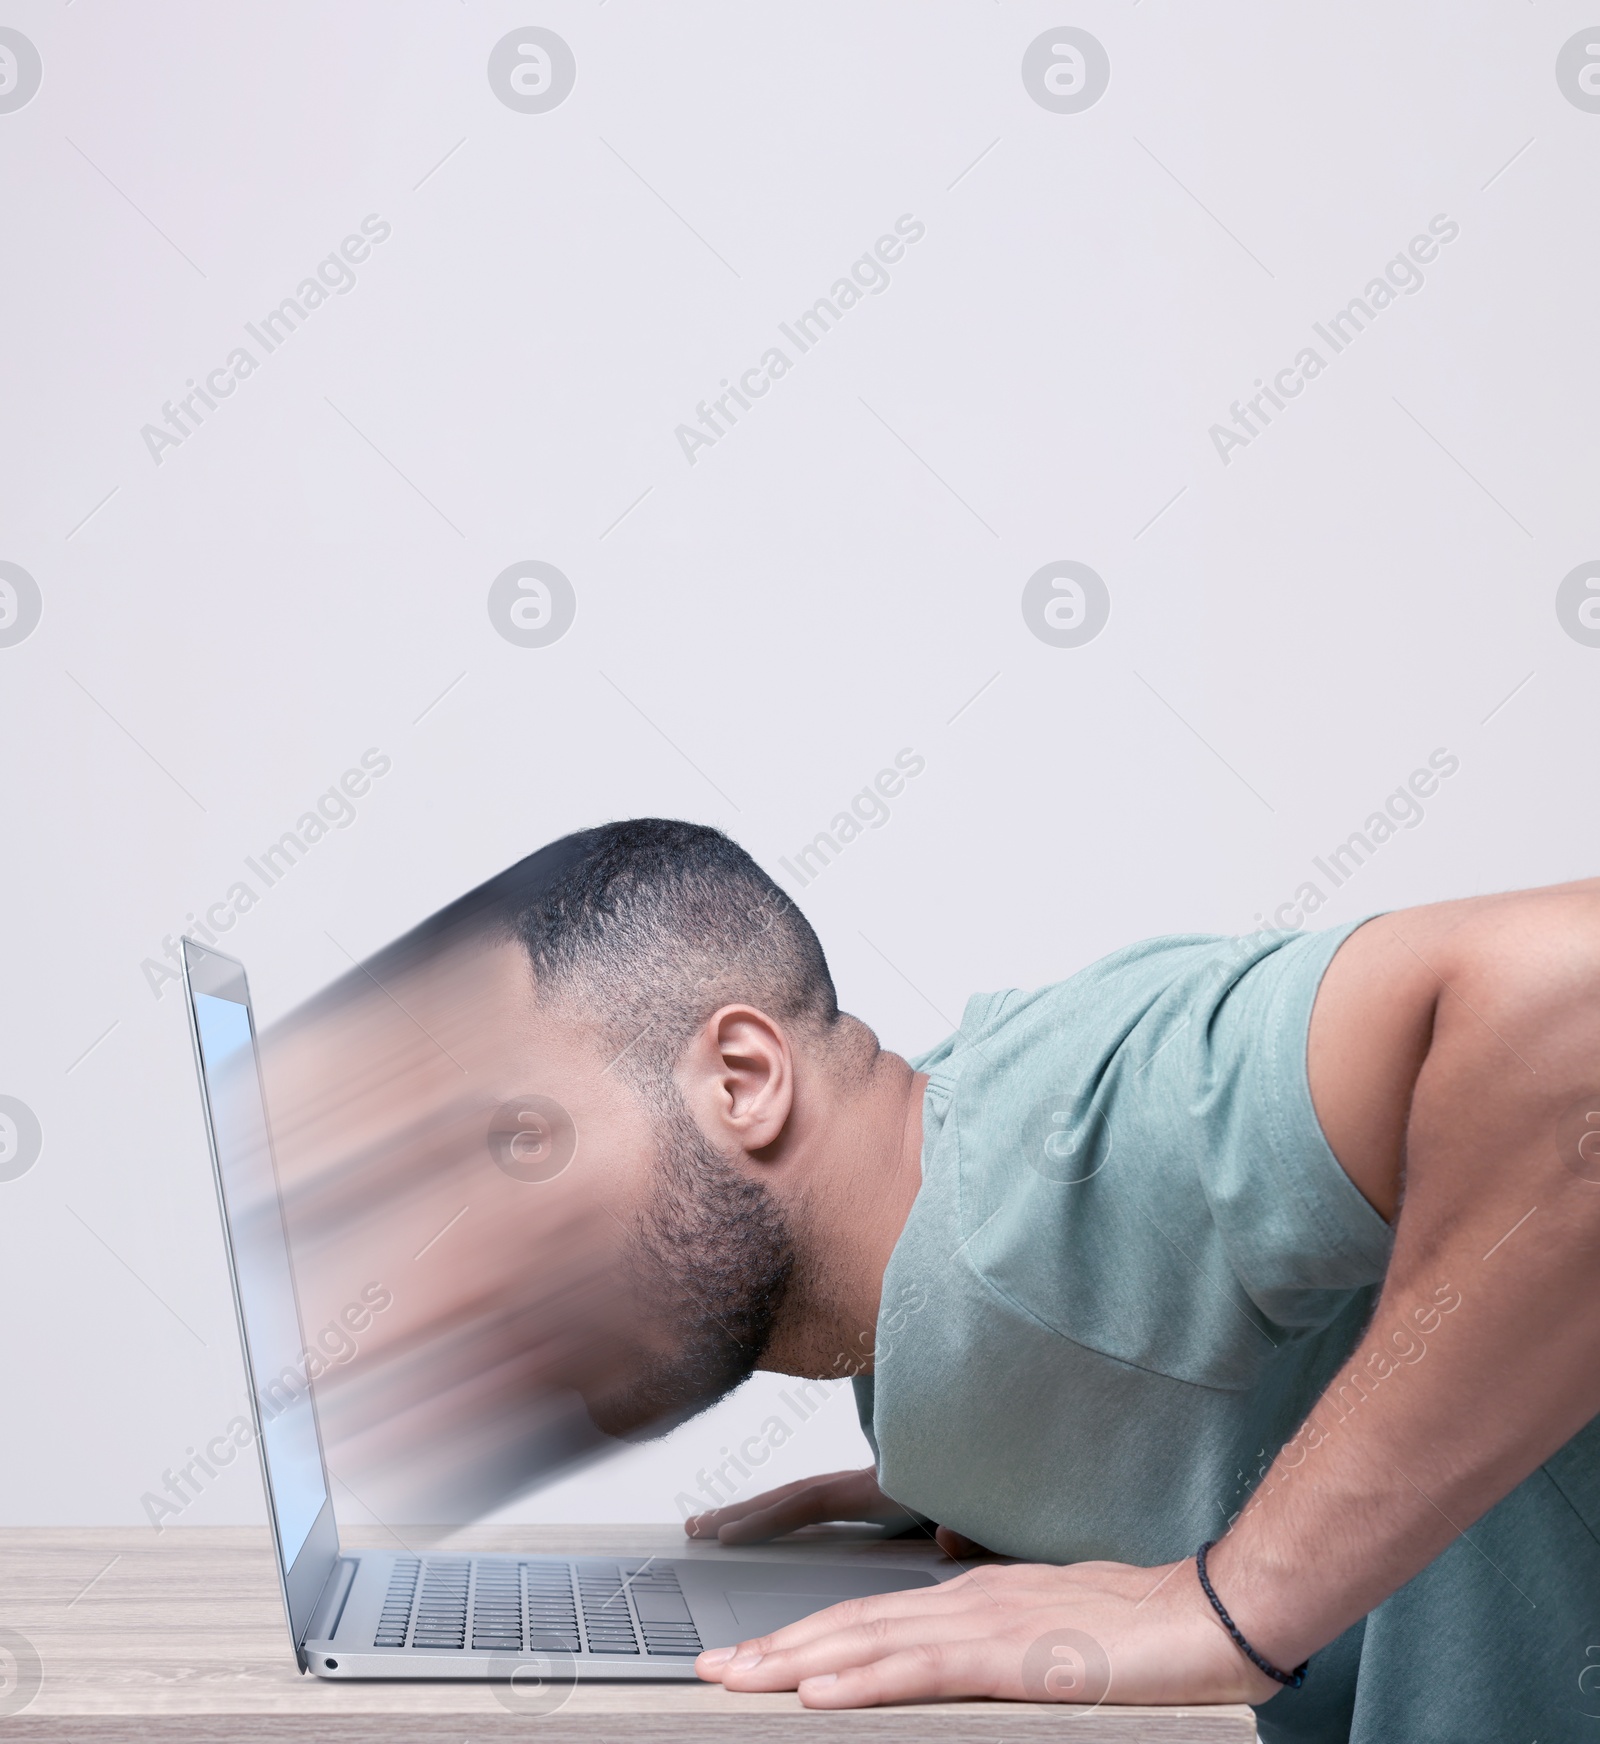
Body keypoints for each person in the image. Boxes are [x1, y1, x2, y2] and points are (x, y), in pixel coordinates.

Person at [276, 818, 1600, 1741]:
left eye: (523, 1141)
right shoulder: (928, 1280)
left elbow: (1578, 1011)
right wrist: (998, 1462)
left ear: (739, 1081)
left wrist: (1230, 1603)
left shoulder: (1073, 1125)